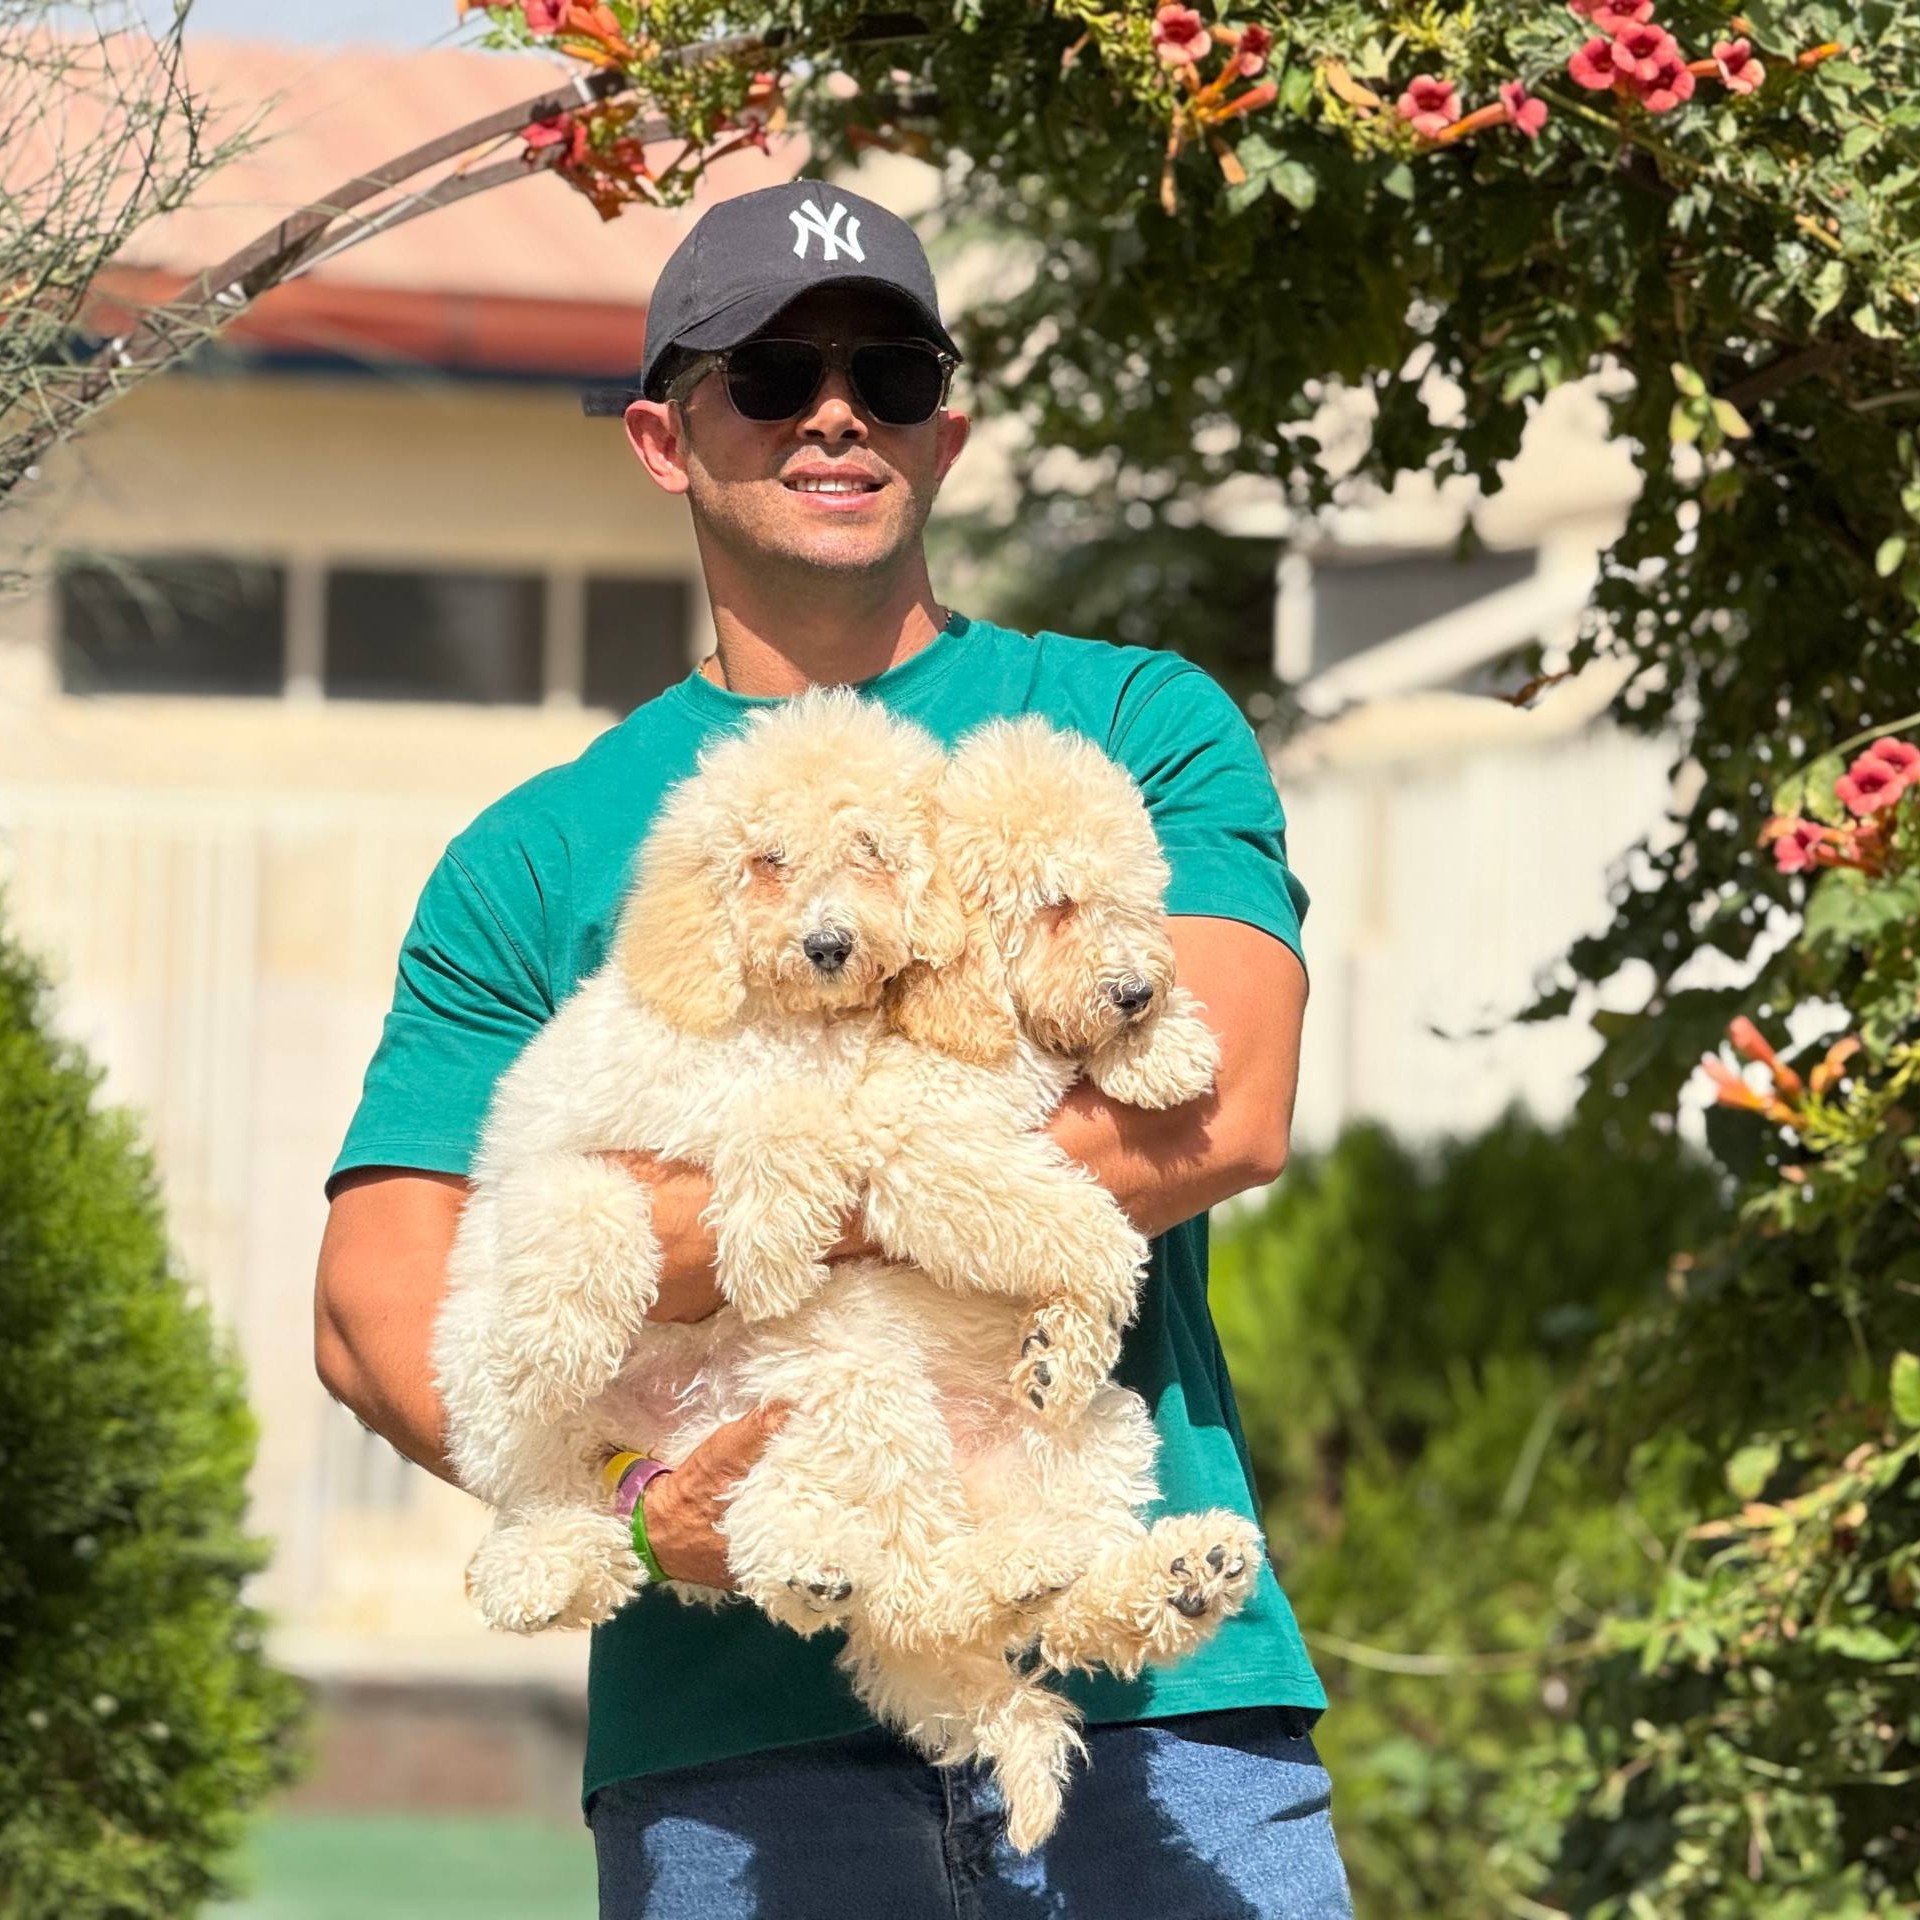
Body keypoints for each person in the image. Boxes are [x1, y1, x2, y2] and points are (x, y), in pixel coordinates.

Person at [315, 178, 1352, 1918]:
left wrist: (755, 1215)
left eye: (889, 370)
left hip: (1152, 1699)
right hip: (737, 1757)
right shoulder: (539, 855)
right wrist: (637, 1503)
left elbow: (1225, 1101)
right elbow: (375, 1311)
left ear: (949, 429)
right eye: (771, 376)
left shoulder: (1126, 727)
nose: (836, 414)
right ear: (663, 438)